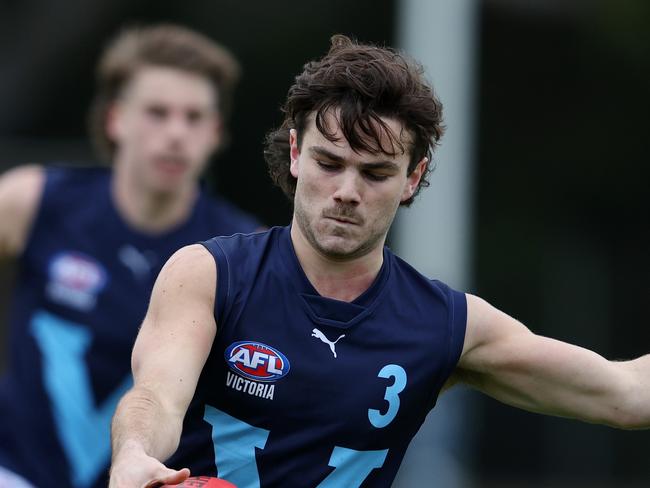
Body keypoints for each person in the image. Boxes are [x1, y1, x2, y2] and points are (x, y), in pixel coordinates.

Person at [108, 35, 650, 488]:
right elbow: (155, 394)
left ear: (412, 178)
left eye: (375, 173)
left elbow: (627, 395)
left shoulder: (448, 325)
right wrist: (134, 454)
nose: (346, 191)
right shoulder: (210, 274)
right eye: (329, 162)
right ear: (296, 153)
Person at [0, 24, 261, 488]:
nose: (176, 133)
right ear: (115, 119)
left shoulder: (244, 252)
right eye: (157, 113)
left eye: (194, 116)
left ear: (216, 132)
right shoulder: (33, 200)